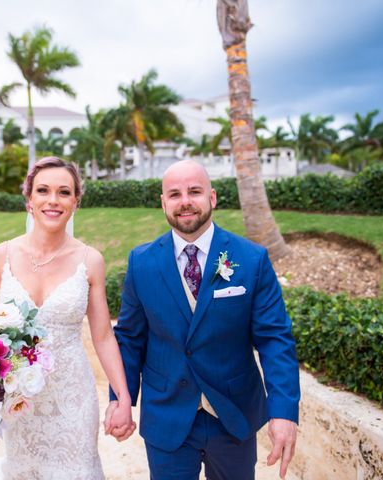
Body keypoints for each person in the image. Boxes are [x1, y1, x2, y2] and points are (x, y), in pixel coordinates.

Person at [107, 160, 300, 479]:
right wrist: (121, 398)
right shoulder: (141, 262)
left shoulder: (251, 259)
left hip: (233, 415)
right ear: (163, 203)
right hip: (166, 416)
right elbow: (129, 339)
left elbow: (274, 340)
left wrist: (283, 412)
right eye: (175, 194)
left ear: (212, 197)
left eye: (194, 191)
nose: (185, 201)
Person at [0, 157, 135, 479]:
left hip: (72, 397)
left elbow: (104, 336)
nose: (53, 200)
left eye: (64, 192)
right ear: (29, 200)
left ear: (75, 202)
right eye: (43, 190)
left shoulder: (89, 260)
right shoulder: (3, 255)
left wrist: (123, 396)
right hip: (21, 399)